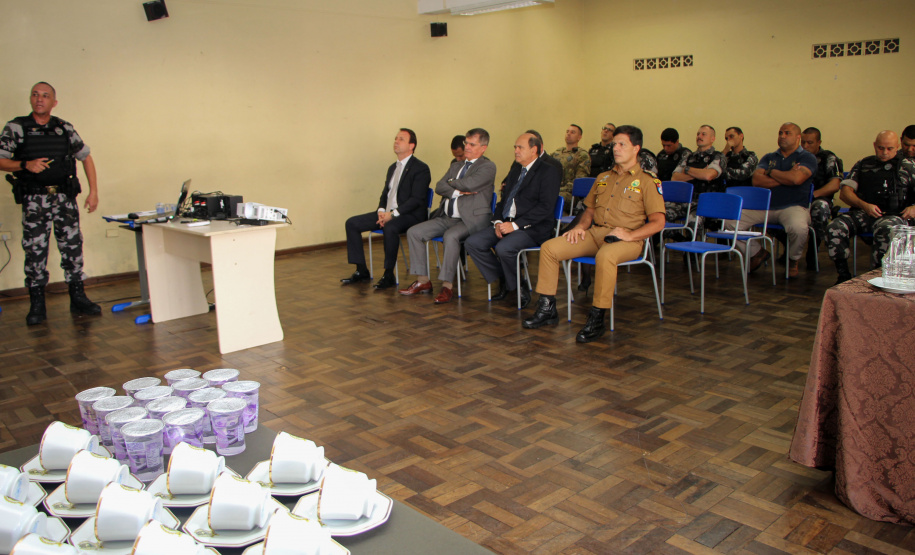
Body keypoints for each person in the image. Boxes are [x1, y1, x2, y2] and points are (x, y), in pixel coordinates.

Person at [522, 125, 665, 343]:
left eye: (622, 144)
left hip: (628, 240)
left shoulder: (648, 181)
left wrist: (630, 235)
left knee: (605, 256)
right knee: (550, 248)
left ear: (636, 149)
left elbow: (658, 222)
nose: (615, 148)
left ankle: (597, 317)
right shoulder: (603, 177)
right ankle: (547, 308)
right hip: (596, 233)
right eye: (615, 144)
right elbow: (589, 211)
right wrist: (580, 227)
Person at [0, 82, 101, 326]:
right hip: (35, 200)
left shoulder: (64, 128)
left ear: (54, 102)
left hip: (64, 199)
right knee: (35, 251)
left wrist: (93, 192)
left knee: (73, 247)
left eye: (45, 96)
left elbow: (85, 157)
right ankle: (37, 303)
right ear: (31, 99)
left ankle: (78, 296)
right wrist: (25, 164)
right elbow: (1, 160)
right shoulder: (16, 127)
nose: (39, 99)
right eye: (35, 95)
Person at [464, 132, 561, 308]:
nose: (516, 151)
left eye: (520, 147)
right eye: (515, 147)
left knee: (504, 248)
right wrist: (498, 222)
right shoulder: (516, 169)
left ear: (534, 150)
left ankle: (518, 287)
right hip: (507, 223)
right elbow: (504, 200)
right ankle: (506, 279)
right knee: (473, 243)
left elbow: (545, 208)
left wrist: (515, 225)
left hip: (532, 228)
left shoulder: (548, 171)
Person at [399, 129, 496, 304]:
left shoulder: (487, 167)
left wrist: (451, 185)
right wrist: (458, 190)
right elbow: (438, 186)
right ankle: (423, 281)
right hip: (448, 217)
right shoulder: (456, 166)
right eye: (466, 143)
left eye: (472, 144)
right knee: (414, 232)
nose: (466, 147)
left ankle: (447, 286)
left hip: (471, 219)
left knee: (450, 236)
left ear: (483, 148)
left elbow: (470, 183)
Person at [341, 128, 431, 289]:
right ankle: (361, 270)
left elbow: (417, 200)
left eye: (401, 139)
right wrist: (381, 211)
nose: (396, 141)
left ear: (412, 145)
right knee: (352, 223)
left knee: (391, 227)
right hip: (389, 213)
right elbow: (385, 194)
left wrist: (393, 215)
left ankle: (388, 274)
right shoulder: (393, 167)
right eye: (395, 138)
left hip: (410, 215)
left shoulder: (420, 168)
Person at [826, 130, 915, 284]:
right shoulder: (864, 164)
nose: (885, 153)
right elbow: (845, 193)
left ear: (897, 146)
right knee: (835, 226)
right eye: (880, 148)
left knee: (886, 228)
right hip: (866, 212)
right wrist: (864, 205)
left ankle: (876, 277)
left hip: (894, 216)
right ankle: (843, 276)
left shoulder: (909, 166)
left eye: (890, 149)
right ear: (874, 145)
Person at [737, 123, 817, 278]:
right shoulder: (769, 157)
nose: (782, 136)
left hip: (793, 207)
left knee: (798, 228)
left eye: (787, 133)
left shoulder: (807, 157)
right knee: (729, 222)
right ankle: (757, 252)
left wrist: (771, 172)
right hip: (765, 207)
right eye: (780, 133)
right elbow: (757, 181)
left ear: (798, 137)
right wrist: (786, 177)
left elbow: (797, 178)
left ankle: (793, 259)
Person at [668, 125, 724, 236]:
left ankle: (691, 251)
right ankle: (681, 242)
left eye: (704, 134)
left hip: (706, 202)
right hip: (686, 200)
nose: (699, 136)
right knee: (660, 215)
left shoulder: (718, 156)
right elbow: (675, 177)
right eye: (698, 134)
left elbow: (709, 176)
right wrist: (699, 173)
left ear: (712, 139)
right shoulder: (689, 156)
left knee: (692, 221)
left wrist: (687, 170)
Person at [801, 127, 843, 264]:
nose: (805, 146)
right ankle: (789, 249)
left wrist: (813, 195)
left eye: (809, 143)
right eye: (802, 142)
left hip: (818, 198)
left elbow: (835, 185)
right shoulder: (796, 157)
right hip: (797, 199)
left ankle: (814, 247)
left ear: (819, 142)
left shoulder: (828, 158)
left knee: (820, 207)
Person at [551, 124, 591, 206]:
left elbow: (579, 181)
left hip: (569, 193)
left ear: (579, 137)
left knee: (550, 196)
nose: (568, 134)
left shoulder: (581, 155)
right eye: (567, 132)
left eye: (573, 132)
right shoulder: (557, 153)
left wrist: (558, 189)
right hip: (552, 188)